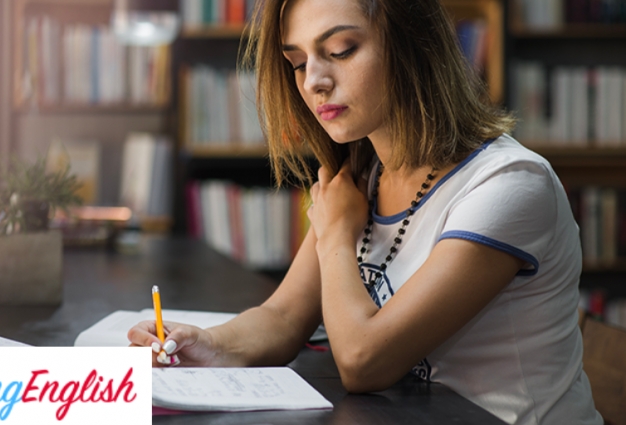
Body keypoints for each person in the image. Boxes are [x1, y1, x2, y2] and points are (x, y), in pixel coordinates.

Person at [128, 0, 602, 423]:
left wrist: (335, 235)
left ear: (412, 45)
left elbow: (363, 362)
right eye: (297, 62)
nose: (313, 80)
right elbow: (283, 316)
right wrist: (205, 344)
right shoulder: (364, 174)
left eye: (340, 50)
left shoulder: (510, 184)